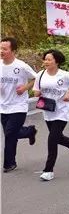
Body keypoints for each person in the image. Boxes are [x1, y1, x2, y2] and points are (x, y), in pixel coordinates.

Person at [33, 49, 69, 181]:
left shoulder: (64, 75)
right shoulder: (40, 75)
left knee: (52, 139)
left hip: (62, 110)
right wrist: (37, 93)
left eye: (49, 59)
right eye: (45, 59)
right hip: (48, 110)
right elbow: (36, 91)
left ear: (57, 61)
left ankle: (48, 170)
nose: (46, 62)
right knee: (58, 138)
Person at [0, 37, 38, 172]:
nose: (1, 51)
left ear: (13, 51)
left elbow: (36, 77)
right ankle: (29, 131)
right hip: (3, 106)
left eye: (5, 49)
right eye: (0, 48)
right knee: (11, 134)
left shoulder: (21, 66)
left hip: (18, 106)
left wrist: (25, 87)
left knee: (10, 134)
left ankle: (9, 164)